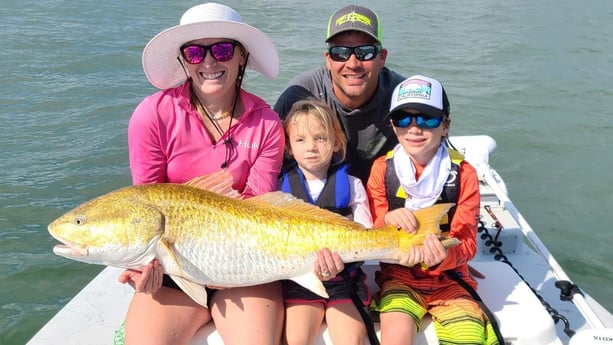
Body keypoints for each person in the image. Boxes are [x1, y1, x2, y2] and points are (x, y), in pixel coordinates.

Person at [115, 3, 285, 345]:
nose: (209, 62)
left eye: (222, 49)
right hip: (171, 269)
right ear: (183, 61)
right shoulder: (152, 115)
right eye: (194, 52)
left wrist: (227, 265)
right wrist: (143, 265)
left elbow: (259, 208)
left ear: (242, 57)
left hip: (245, 262)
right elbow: (146, 207)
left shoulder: (267, 122)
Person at [366, 75, 501, 345]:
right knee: (395, 335)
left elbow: (467, 242)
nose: (414, 128)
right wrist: (387, 219)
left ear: (446, 126)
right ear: (393, 126)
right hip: (398, 275)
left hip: (451, 278)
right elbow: (373, 229)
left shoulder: (465, 174)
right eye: (403, 119)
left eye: (427, 119)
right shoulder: (382, 169)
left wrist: (444, 257)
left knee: (468, 337)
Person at [274, 5, 406, 184]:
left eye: (365, 52)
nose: (352, 63)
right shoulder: (299, 95)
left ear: (382, 57)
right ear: (328, 59)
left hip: (382, 197)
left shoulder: (403, 96)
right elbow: (272, 164)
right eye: (341, 53)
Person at [278, 99, 373, 345]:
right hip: (300, 283)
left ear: (336, 143)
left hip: (344, 282)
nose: (311, 147)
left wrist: (341, 261)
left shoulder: (352, 186)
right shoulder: (278, 192)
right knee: (295, 339)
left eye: (320, 138)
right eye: (300, 140)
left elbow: (367, 234)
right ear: (289, 147)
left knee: (351, 339)